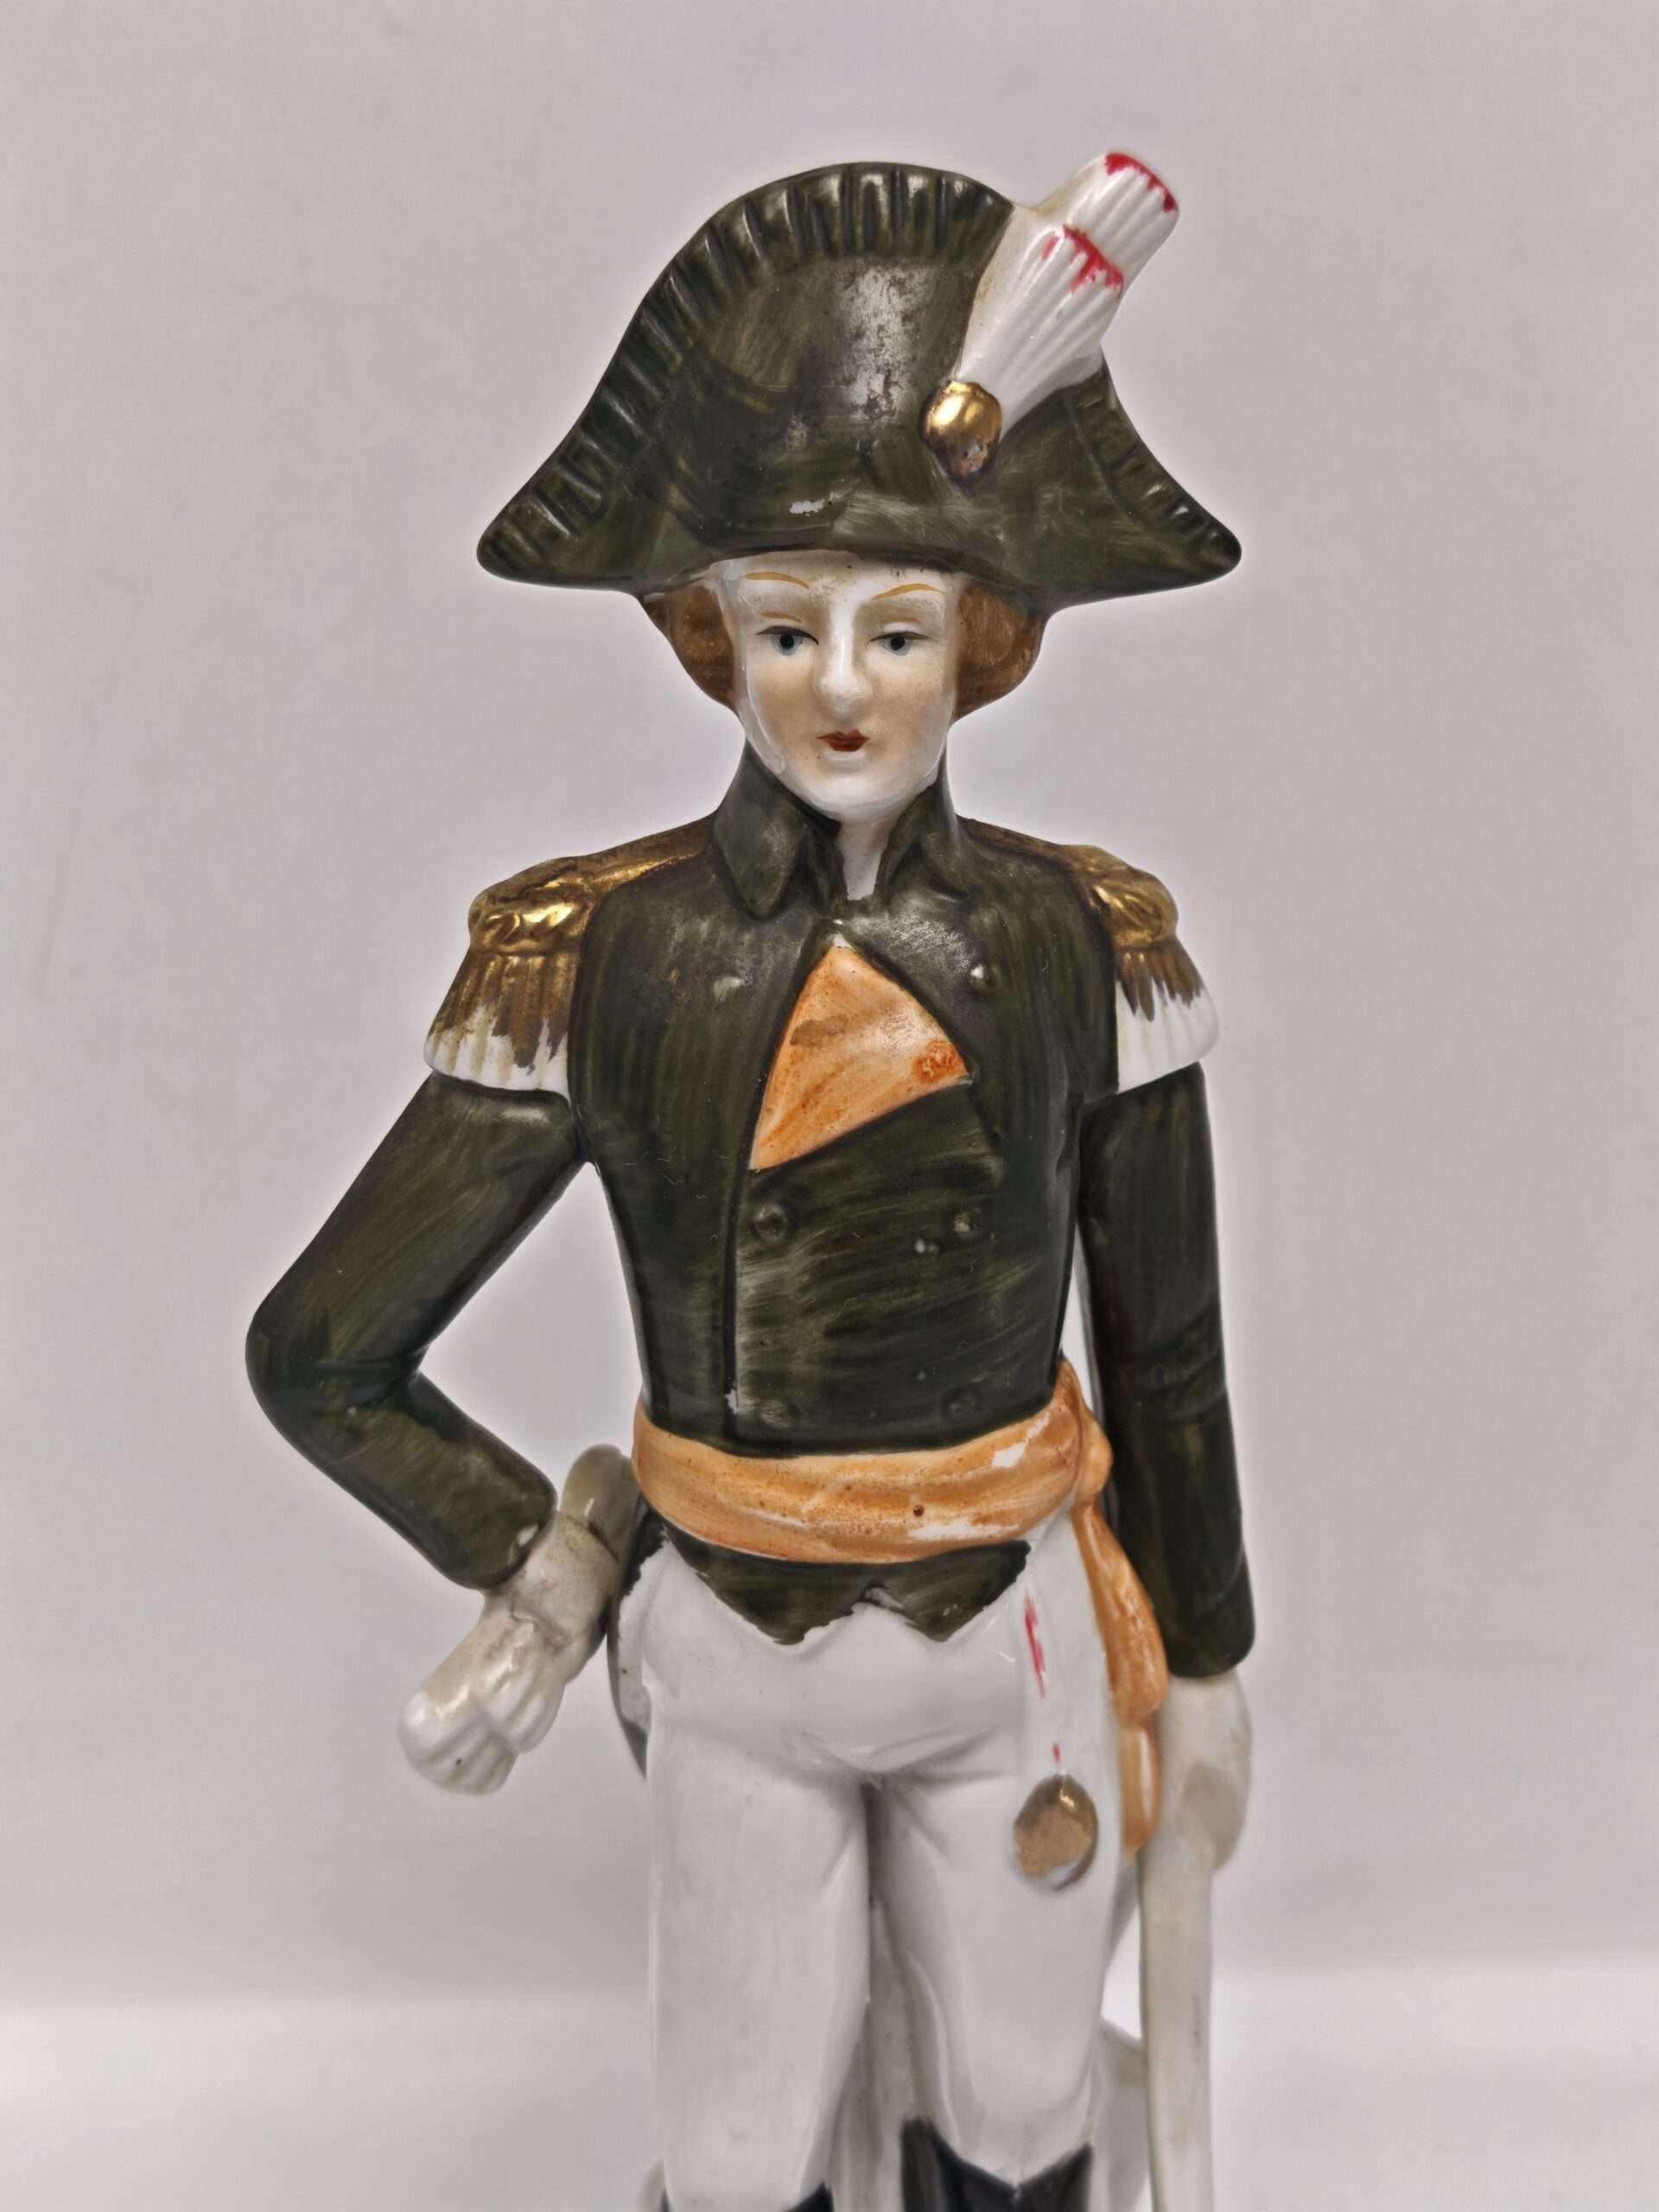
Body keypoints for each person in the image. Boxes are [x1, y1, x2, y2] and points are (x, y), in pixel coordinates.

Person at [248, 155, 1254, 2212]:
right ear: (708, 636)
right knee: (734, 2146)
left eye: (899, 626)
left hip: (1019, 1640)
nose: (845, 683)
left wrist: (1213, 1657)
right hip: (732, 1646)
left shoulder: (1092, 946)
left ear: (989, 642)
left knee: (1022, 2111)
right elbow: (325, 1348)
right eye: (789, 625)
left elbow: (1169, 1358)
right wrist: (553, 1553)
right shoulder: (601, 961)